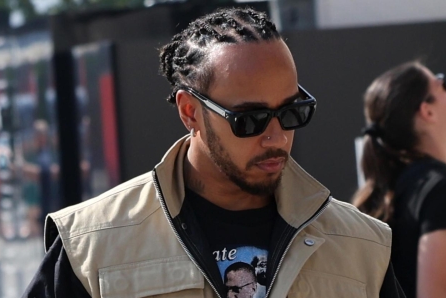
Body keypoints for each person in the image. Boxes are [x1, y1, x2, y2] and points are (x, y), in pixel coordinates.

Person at [24, 7, 405, 298]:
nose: (276, 136)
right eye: (250, 119)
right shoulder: (90, 244)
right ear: (190, 111)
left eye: (292, 112)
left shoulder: (362, 247)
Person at [353, 61, 446, 298]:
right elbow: (434, 294)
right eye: (441, 84)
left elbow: (410, 274)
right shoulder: (440, 186)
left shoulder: (401, 185)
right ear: (427, 111)